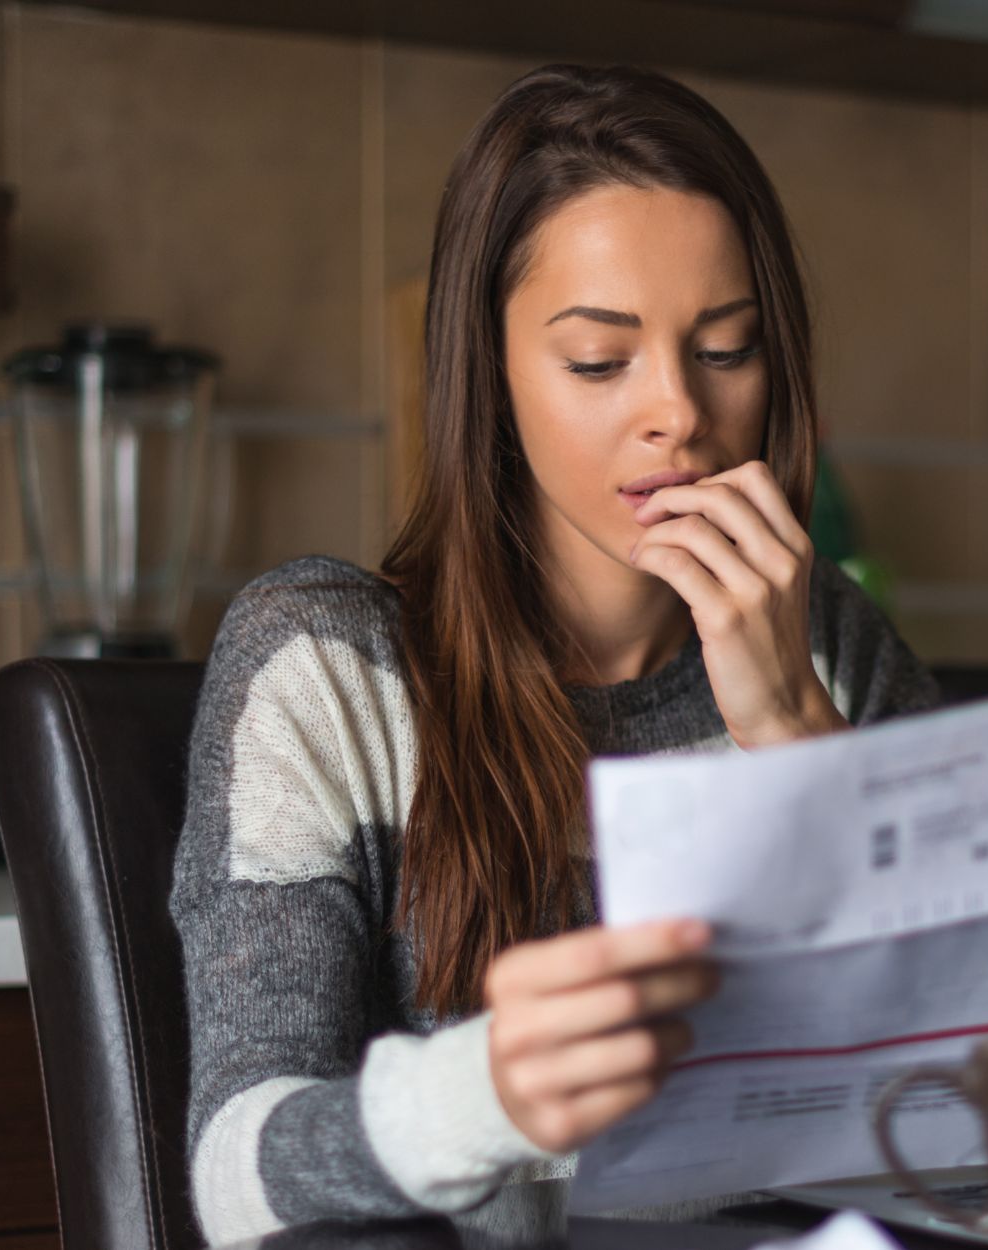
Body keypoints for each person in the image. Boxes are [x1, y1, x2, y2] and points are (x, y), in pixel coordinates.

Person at [170, 65, 940, 1242]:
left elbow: (968, 1105)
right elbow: (236, 1174)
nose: (677, 411)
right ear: (491, 373)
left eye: (725, 349)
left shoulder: (830, 643)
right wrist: (489, 1092)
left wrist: (793, 728)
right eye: (598, 360)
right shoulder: (328, 667)